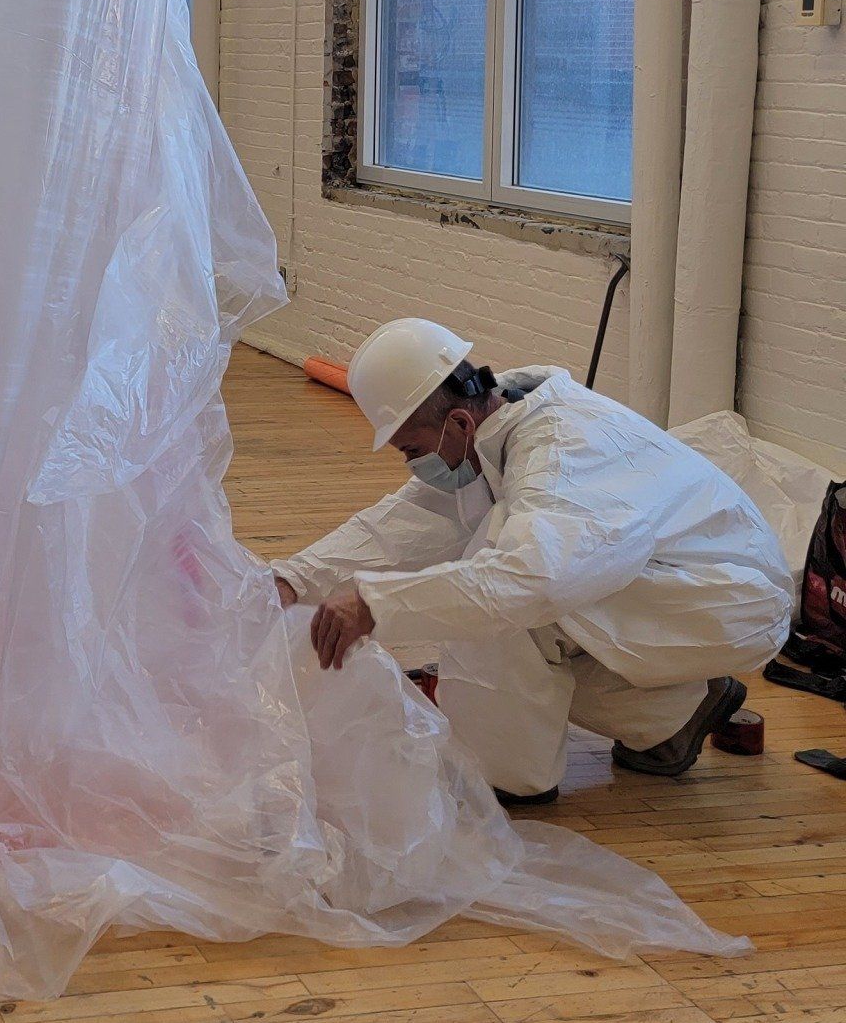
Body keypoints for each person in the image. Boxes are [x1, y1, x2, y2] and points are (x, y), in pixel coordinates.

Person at [274, 318, 794, 804]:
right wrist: (293, 579)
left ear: (458, 419)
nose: (413, 465)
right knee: (503, 605)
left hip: (726, 599)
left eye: (412, 450)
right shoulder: (501, 422)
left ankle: (508, 777)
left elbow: (528, 582)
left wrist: (374, 605)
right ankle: (674, 714)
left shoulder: (562, 458)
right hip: (685, 585)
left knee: (499, 594)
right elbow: (405, 523)